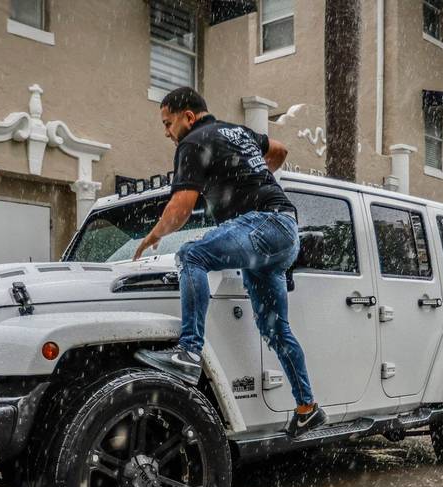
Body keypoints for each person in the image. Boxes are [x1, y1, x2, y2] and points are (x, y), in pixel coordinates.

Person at [132, 87, 325, 438]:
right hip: (283, 233)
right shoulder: (238, 132)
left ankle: (189, 353)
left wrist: (153, 236)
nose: (166, 132)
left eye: (168, 123)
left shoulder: (192, 143)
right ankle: (307, 408)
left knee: (191, 254)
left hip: (263, 224)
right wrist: (252, 179)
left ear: (187, 117)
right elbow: (280, 151)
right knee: (275, 330)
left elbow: (181, 207)